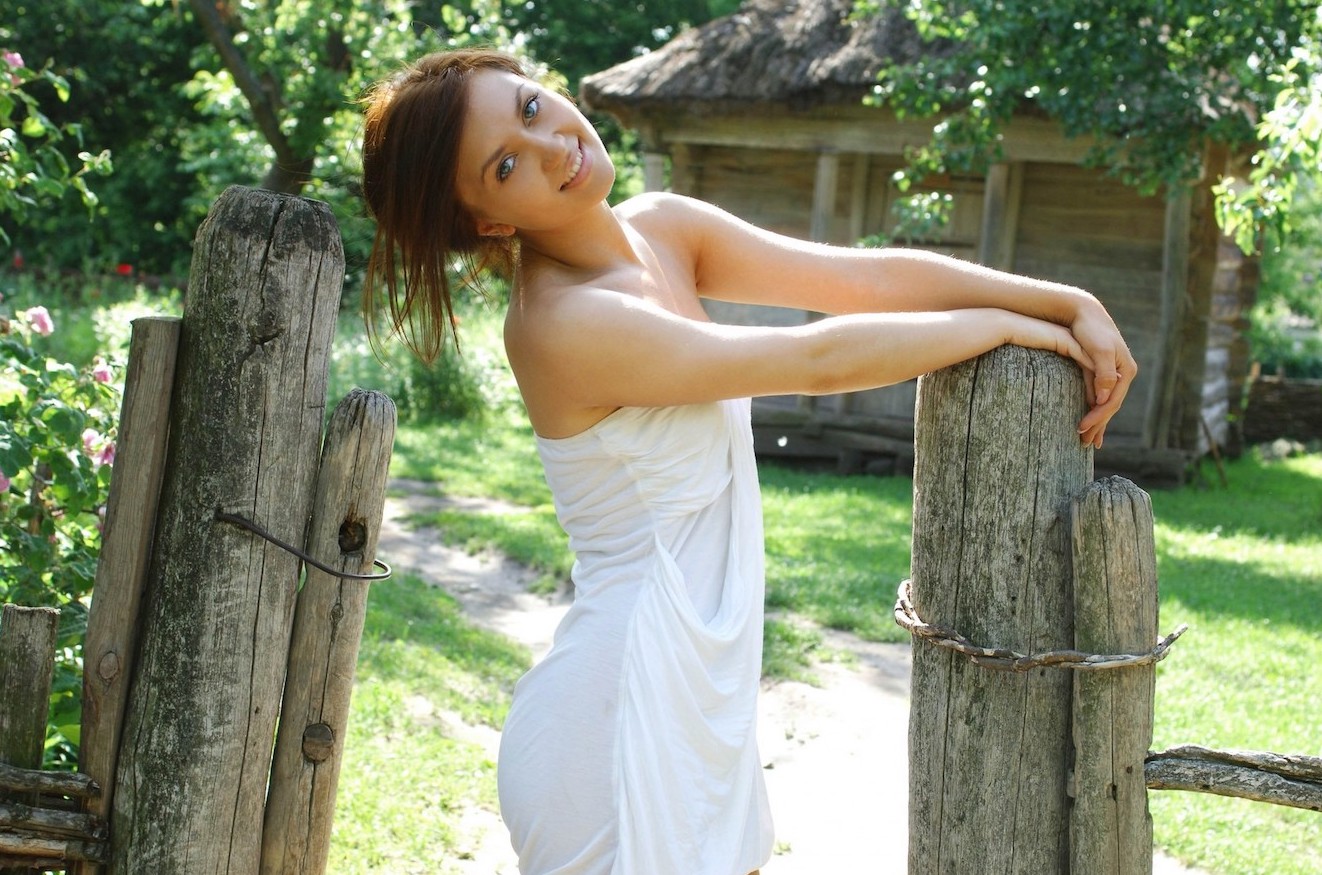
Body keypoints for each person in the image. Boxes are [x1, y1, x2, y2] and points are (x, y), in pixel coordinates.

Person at [359, 49, 1136, 875]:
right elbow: (814, 360)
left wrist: (1065, 301)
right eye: (506, 166)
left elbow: (859, 280)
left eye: (529, 106)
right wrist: (1011, 327)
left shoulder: (662, 229)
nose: (552, 144)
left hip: (707, 691)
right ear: (488, 222)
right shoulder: (562, 322)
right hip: (611, 721)